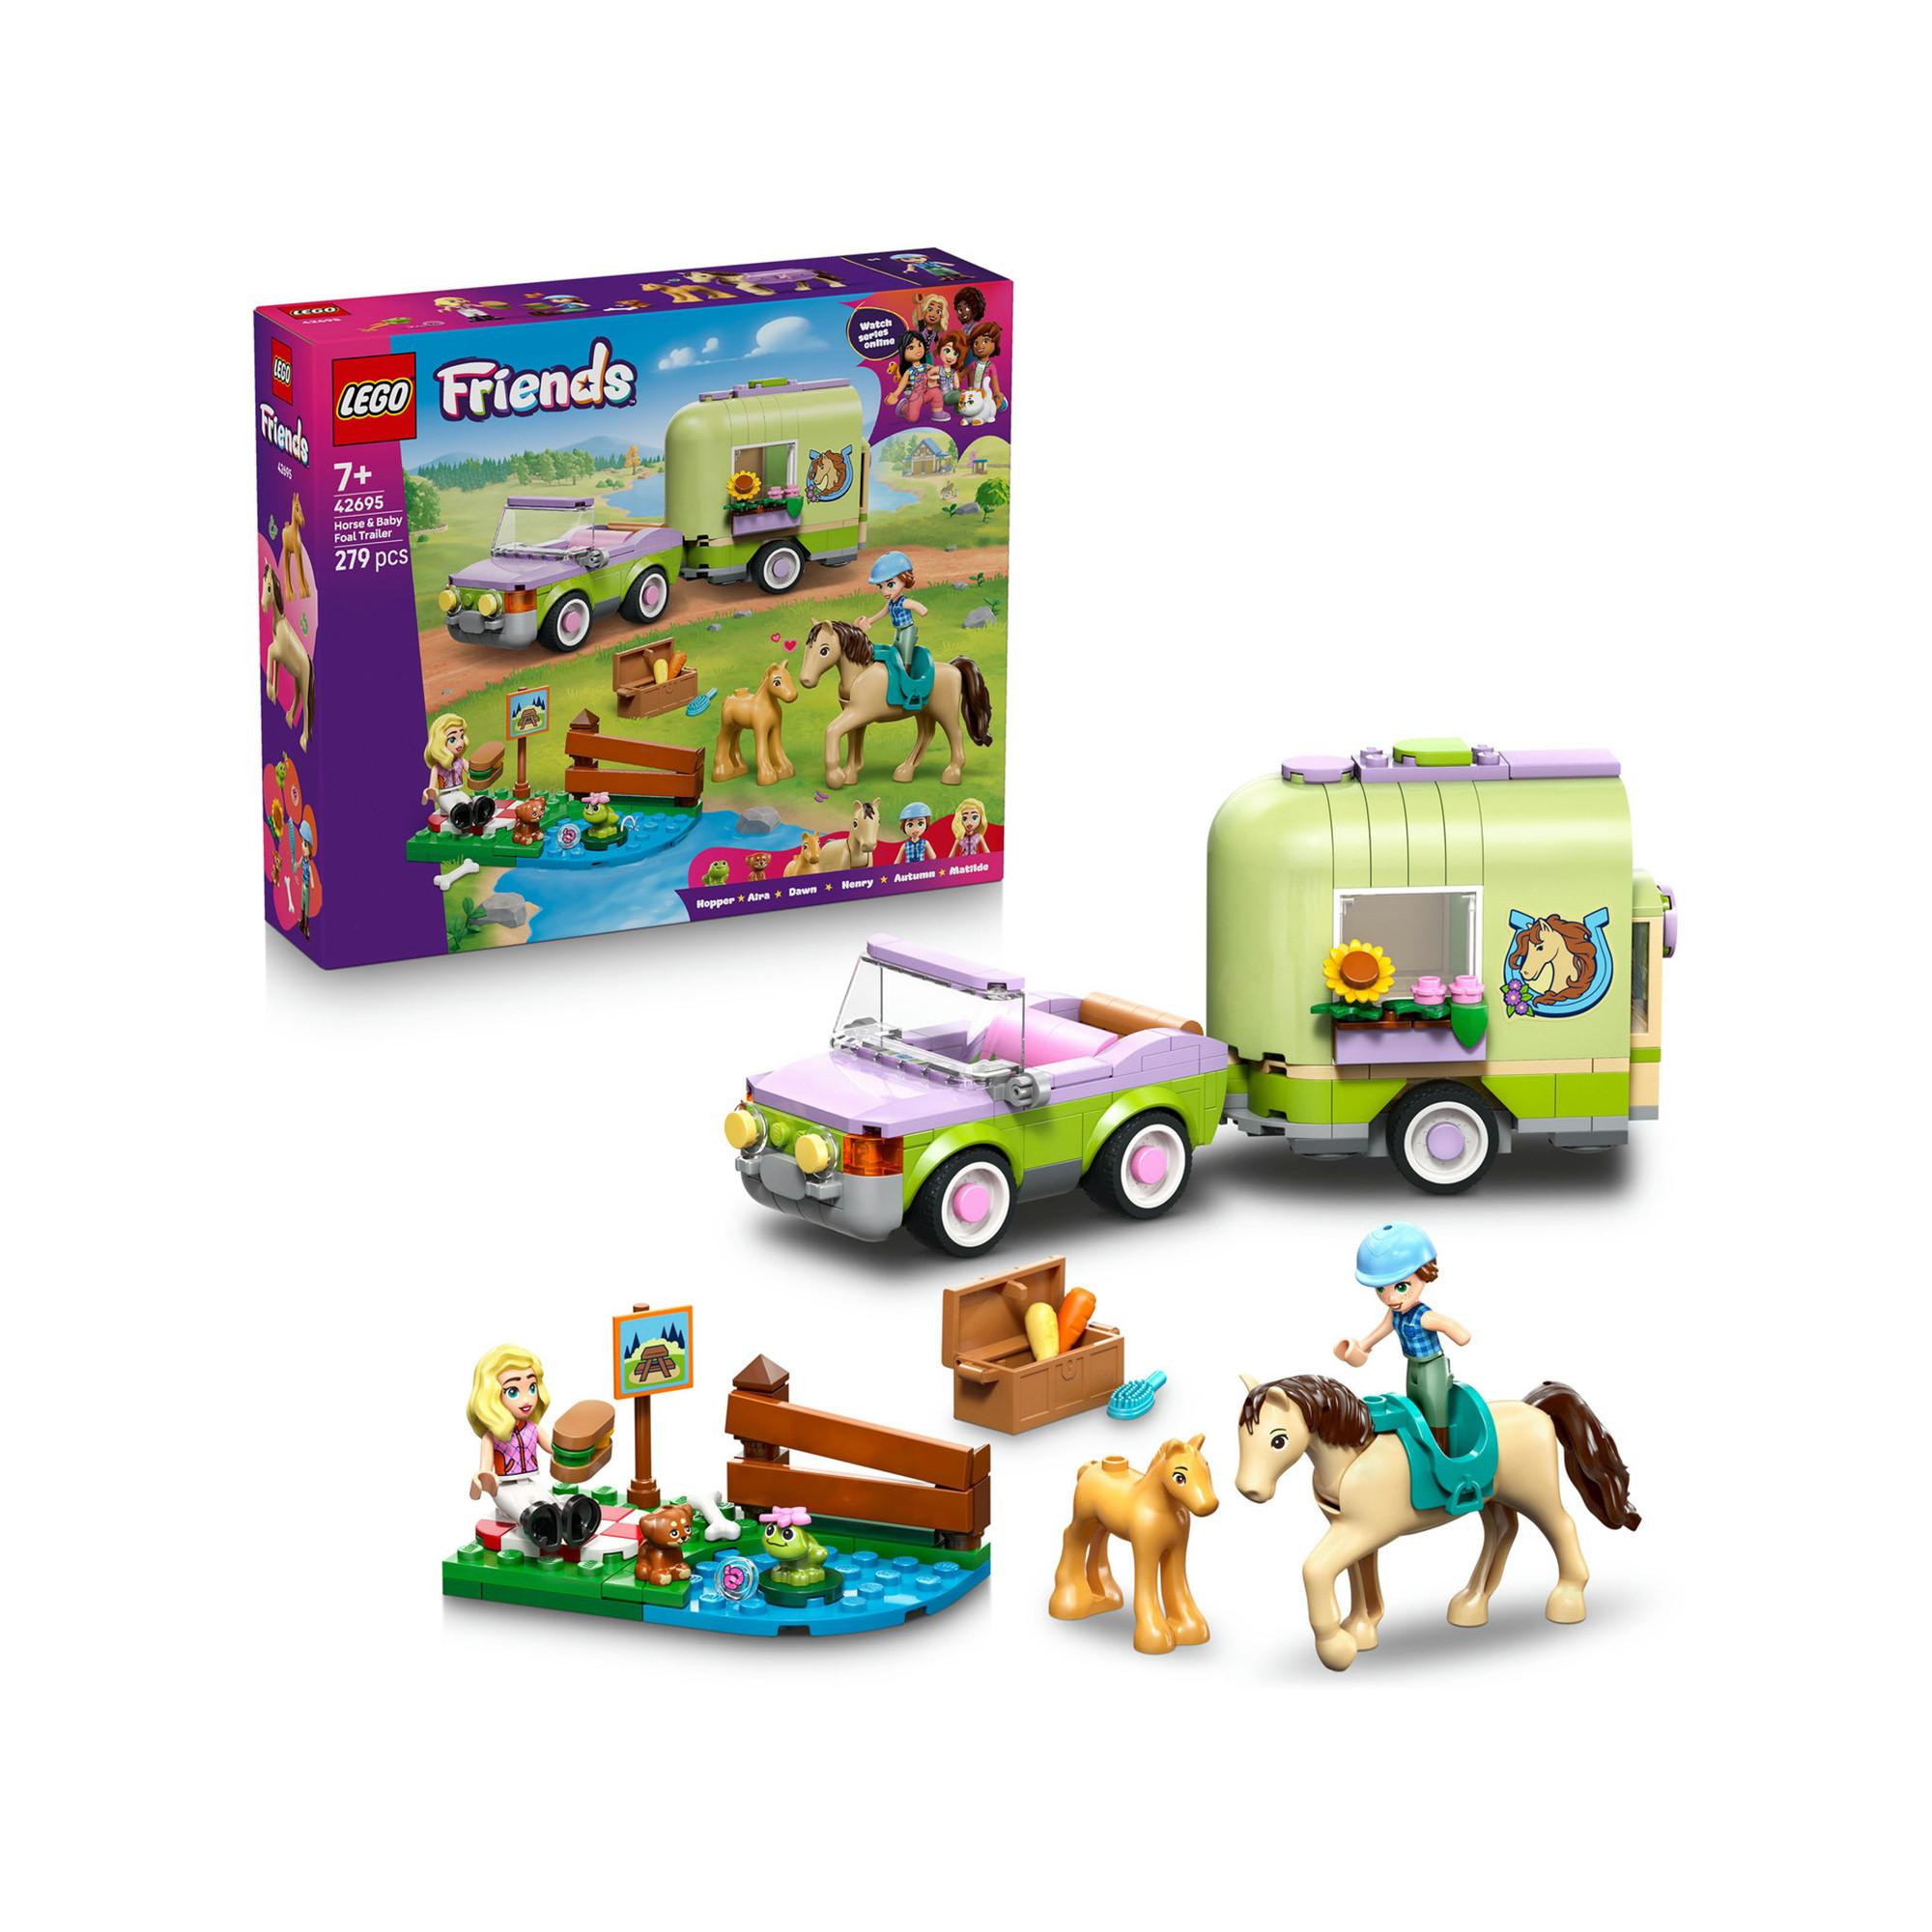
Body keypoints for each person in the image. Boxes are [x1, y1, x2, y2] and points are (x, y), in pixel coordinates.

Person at [1334, 1223, 1471, 1449]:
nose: (1390, 1298)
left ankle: (1441, 1452)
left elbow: (1458, 1332)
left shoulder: (1424, 1316)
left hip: (1432, 1367)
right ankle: (1421, 1447)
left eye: (1400, 1287)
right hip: (1413, 1365)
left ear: (1424, 1275)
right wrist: (1362, 1346)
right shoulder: (1395, 1313)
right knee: (1415, 1408)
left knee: (1436, 1413)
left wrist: (1456, 1332)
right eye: (1381, 1289)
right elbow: (1381, 1330)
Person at [465, 1345, 602, 1555]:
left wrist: (579, 1450)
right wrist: (483, 1480)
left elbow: (553, 1449)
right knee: (526, 1511)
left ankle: (574, 1523)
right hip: (504, 1489)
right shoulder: (491, 1437)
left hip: (530, 1482)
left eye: (532, 1387)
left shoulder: (533, 1429)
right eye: (513, 1391)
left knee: (550, 1504)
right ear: (491, 1398)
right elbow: (485, 1470)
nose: (527, 1399)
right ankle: (541, 1530)